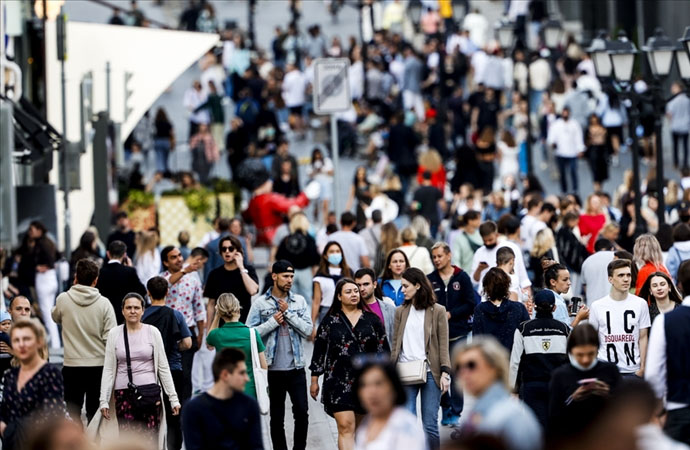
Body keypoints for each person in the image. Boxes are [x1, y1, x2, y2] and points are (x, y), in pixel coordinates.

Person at [89, 294, 180, 449]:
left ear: (143, 311)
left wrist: (173, 398)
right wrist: (103, 400)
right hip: (124, 394)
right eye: (129, 308)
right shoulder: (114, 334)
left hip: (149, 394)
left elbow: (163, 367)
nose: (133, 311)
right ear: (123, 311)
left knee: (150, 438)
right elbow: (109, 369)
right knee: (127, 439)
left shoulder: (153, 332)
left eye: (136, 307)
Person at [310, 278, 390, 450]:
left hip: (367, 383)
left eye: (355, 291)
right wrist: (314, 379)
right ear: (339, 296)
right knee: (346, 427)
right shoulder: (330, 321)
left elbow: (384, 351)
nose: (354, 294)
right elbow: (319, 351)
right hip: (338, 381)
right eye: (348, 292)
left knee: (362, 431)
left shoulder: (372, 320)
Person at [246, 261, 313, 450]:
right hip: (271, 369)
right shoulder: (260, 304)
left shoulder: (298, 301)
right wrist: (272, 322)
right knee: (277, 417)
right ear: (274, 276)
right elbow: (249, 333)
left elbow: (308, 330)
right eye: (285, 276)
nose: (289, 280)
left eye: (291, 276)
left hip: (296, 368)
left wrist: (288, 314)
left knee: (302, 413)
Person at [391, 268, 451, 450]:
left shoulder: (438, 311)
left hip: (431, 372)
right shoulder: (400, 311)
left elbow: (443, 344)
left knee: (430, 424)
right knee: (407, 422)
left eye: (405, 286)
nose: (402, 290)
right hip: (405, 370)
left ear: (417, 285)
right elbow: (395, 344)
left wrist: (445, 373)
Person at [52, 259, 117, 423]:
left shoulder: (63, 299)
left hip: (72, 366)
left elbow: (55, 316)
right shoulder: (105, 304)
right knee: (95, 413)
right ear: (95, 280)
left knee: (73, 412)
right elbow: (111, 338)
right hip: (98, 366)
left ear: (76, 277)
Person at [454, 336, 542, 450]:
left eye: (471, 365)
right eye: (458, 367)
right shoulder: (478, 412)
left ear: (494, 367)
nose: (464, 373)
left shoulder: (512, 417)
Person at [427, 242, 476, 427]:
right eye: (434, 257)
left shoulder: (461, 277)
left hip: (458, 334)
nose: (437, 260)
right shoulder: (430, 279)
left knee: (457, 374)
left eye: (439, 256)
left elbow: (470, 303)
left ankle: (456, 412)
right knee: (437, 374)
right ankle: (445, 406)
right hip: (437, 336)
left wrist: (451, 314)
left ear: (449, 255)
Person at [548, 324, 622, 443]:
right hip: (574, 439)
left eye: (590, 354)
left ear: (597, 349)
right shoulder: (560, 376)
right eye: (580, 355)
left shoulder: (610, 371)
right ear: (571, 352)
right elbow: (554, 417)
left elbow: (624, 411)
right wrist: (573, 398)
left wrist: (609, 394)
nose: (585, 360)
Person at [142, 277, 192, 450]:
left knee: (150, 416)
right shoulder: (176, 315)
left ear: (148, 293)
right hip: (173, 369)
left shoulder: (142, 315)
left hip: (148, 372)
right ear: (167, 293)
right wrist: (172, 346)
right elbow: (187, 343)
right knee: (174, 415)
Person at [0, 319, 65, 450]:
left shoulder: (50, 373)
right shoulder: (10, 375)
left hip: (37, 442)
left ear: (39, 342)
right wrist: (4, 429)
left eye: (27, 339)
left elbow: (54, 414)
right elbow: (4, 410)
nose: (21, 344)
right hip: (12, 442)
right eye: (16, 340)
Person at [509, 290, 569, 428]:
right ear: (554, 307)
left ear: (534, 306)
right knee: (555, 426)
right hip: (556, 386)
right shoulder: (564, 329)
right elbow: (570, 361)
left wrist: (513, 389)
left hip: (531, 386)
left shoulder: (523, 329)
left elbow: (515, 362)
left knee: (536, 425)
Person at [182, 348, 263, 450]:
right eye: (241, 373)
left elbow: (257, 447)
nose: (247, 378)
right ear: (225, 375)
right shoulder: (194, 409)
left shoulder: (249, 405)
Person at [646, 260, 690, 445]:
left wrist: (658, 410)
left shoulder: (666, 322)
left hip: (679, 406)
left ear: (679, 284)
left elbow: (654, 373)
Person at [160, 246, 205, 407]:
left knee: (186, 376)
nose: (179, 259)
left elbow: (199, 309)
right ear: (165, 262)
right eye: (173, 257)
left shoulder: (193, 281)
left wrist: (200, 335)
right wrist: (185, 271)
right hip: (166, 335)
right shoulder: (160, 279)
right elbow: (164, 285)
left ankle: (185, 412)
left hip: (188, 333)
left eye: (179, 255)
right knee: (168, 374)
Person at [589, 259, 651, 377]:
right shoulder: (597, 306)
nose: (626, 279)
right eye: (621, 275)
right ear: (610, 279)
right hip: (605, 370)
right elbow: (593, 340)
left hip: (633, 370)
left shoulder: (640, 304)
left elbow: (643, 338)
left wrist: (643, 368)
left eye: (628, 275)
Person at [352, 360, 426, 450]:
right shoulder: (366, 424)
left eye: (378, 384)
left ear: (393, 387)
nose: (371, 392)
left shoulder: (404, 426)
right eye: (364, 385)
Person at [206, 293, 267, 399]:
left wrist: (217, 315)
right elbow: (264, 365)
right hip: (249, 390)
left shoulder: (217, 335)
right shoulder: (252, 333)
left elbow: (209, 341)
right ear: (238, 309)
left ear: (221, 312)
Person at [18, 221, 60, 350]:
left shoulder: (41, 243)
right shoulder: (48, 241)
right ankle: (55, 341)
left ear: (39, 230)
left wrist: (43, 266)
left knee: (46, 312)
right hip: (50, 278)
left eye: (32, 229)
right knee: (48, 311)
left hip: (44, 278)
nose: (30, 232)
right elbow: (57, 255)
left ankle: (55, 343)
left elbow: (50, 259)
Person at [203, 235, 259, 325]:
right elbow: (211, 304)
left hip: (244, 325)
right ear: (220, 252)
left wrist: (241, 268)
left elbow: (253, 291)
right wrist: (209, 330)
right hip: (221, 327)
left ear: (238, 251)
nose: (227, 251)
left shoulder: (248, 270)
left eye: (231, 248)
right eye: (224, 249)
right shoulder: (214, 274)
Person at [472, 268, 530, 351]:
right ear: (507, 286)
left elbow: (476, 341)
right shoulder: (518, 308)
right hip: (514, 360)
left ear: (486, 287)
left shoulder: (480, 309)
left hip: (489, 360)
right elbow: (527, 339)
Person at [96, 240, 146, 324]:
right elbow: (142, 291)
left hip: (104, 314)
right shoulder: (130, 271)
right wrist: (130, 267)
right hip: (124, 316)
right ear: (124, 255)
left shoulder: (100, 272)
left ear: (108, 254)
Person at [276, 213, 321, 304]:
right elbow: (315, 258)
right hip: (305, 271)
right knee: (307, 298)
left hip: (289, 272)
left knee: (290, 298)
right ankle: (306, 317)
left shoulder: (286, 239)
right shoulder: (309, 239)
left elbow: (279, 256)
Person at [311, 241, 353, 338]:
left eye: (338, 251)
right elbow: (316, 301)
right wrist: (312, 325)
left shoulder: (348, 273)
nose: (335, 254)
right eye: (332, 251)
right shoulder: (320, 276)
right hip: (326, 312)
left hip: (347, 312)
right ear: (325, 256)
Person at [354, 268, 396, 345]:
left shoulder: (389, 309)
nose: (362, 289)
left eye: (366, 284)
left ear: (375, 284)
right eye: (358, 285)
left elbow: (395, 337)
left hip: (385, 355)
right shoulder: (351, 309)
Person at [547, 106, 584, 193]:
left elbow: (578, 137)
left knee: (573, 170)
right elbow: (552, 137)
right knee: (562, 173)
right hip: (560, 152)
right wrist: (553, 143)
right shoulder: (557, 124)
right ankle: (564, 190)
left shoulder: (574, 124)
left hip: (572, 152)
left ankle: (575, 189)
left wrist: (580, 149)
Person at [581, 238, 616, 306]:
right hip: (614, 303)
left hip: (593, 304)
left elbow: (585, 286)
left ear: (594, 250)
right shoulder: (616, 257)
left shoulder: (587, 262)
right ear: (612, 248)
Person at [412, 171, 445, 238]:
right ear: (431, 178)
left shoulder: (418, 191)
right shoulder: (435, 190)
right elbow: (443, 206)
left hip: (422, 220)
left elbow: (414, 207)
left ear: (422, 178)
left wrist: (420, 205)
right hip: (434, 220)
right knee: (432, 242)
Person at [666, 81, 690, 169]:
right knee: (685, 146)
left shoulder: (672, 100)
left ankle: (676, 162)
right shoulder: (687, 99)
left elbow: (669, 114)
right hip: (685, 125)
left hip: (675, 125)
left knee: (675, 146)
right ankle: (685, 163)